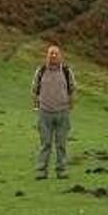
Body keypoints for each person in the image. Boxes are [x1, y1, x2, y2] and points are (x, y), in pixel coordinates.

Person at [31, 45, 76, 180]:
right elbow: (34, 90)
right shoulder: (41, 71)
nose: (54, 56)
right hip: (45, 113)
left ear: (60, 56)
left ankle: (61, 171)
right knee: (45, 144)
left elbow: (73, 89)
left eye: (56, 54)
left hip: (62, 113)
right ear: (47, 55)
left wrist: (70, 106)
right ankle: (41, 171)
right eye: (51, 53)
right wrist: (36, 106)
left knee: (61, 144)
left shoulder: (67, 71)